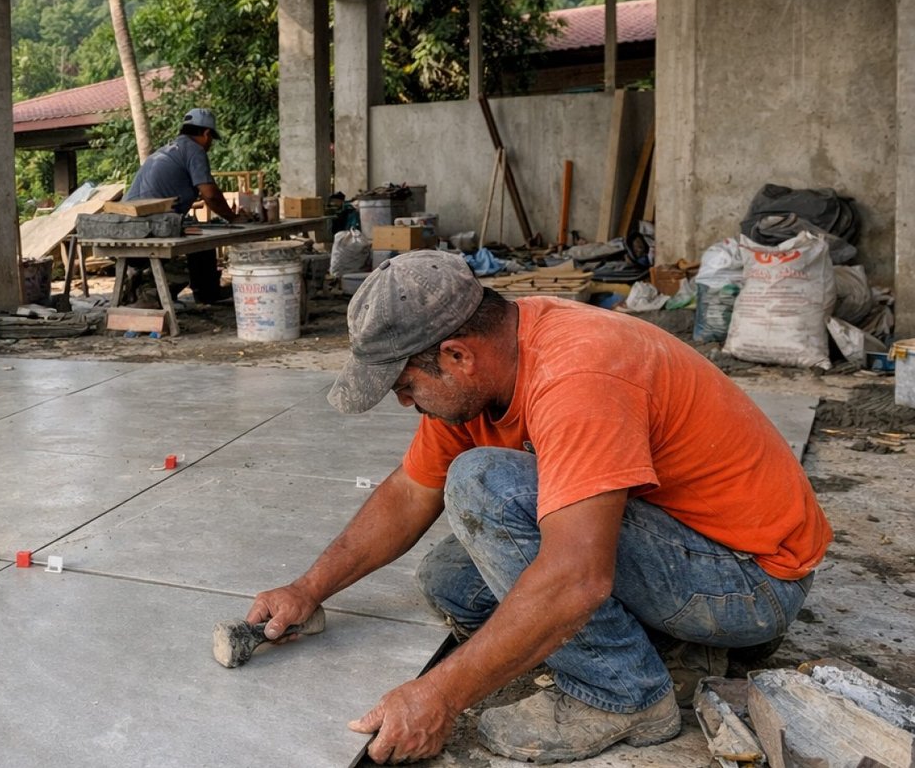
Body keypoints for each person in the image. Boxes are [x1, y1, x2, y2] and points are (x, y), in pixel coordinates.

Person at [248, 250, 830, 764]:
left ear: (456, 356)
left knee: (485, 484)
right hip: (680, 548)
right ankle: (678, 649)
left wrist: (439, 697)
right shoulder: (487, 365)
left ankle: (626, 695)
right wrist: (309, 589)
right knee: (451, 580)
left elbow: (577, 579)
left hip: (749, 578)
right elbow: (409, 492)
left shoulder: (578, 374)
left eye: (404, 386)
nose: (405, 403)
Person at [124, 107, 238, 304]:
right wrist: (234, 218)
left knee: (198, 233)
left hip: (126, 225)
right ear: (206, 133)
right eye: (210, 138)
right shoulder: (195, 150)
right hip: (150, 228)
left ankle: (204, 292)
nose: (210, 143)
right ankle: (198, 291)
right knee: (203, 239)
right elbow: (210, 194)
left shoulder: (169, 149)